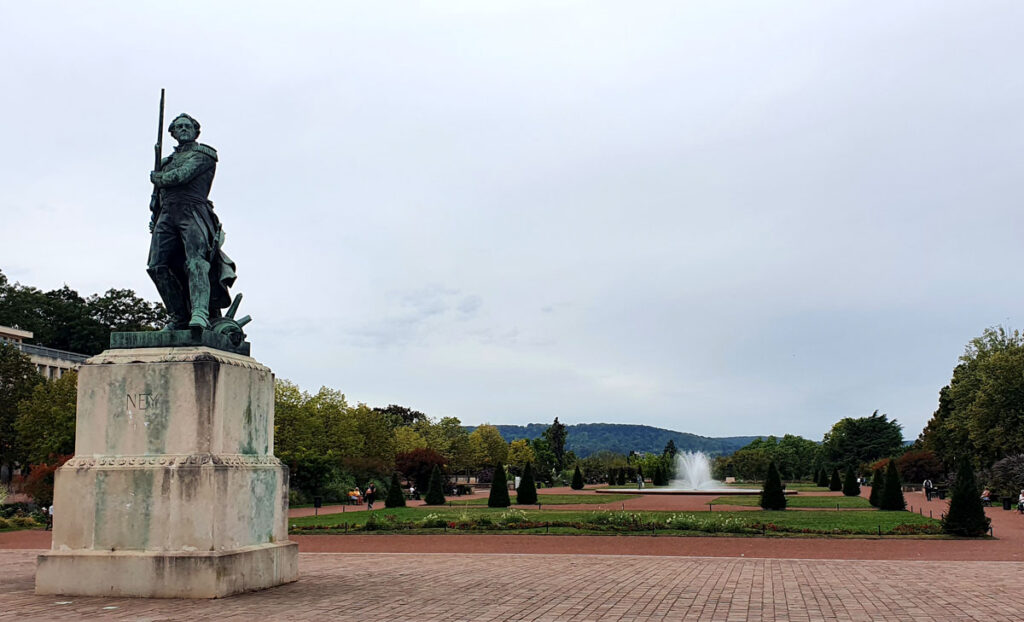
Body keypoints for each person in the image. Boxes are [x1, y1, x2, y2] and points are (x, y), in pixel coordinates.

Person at [148, 113, 237, 330]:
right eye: (179, 127)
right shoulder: (166, 161)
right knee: (157, 266)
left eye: (188, 126)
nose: (184, 129)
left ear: (196, 131)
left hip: (193, 211)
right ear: (173, 133)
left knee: (197, 262)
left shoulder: (205, 154)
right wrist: (154, 214)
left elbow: (182, 176)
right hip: (167, 214)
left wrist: (158, 177)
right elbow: (156, 196)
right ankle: (178, 316)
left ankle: (200, 313)